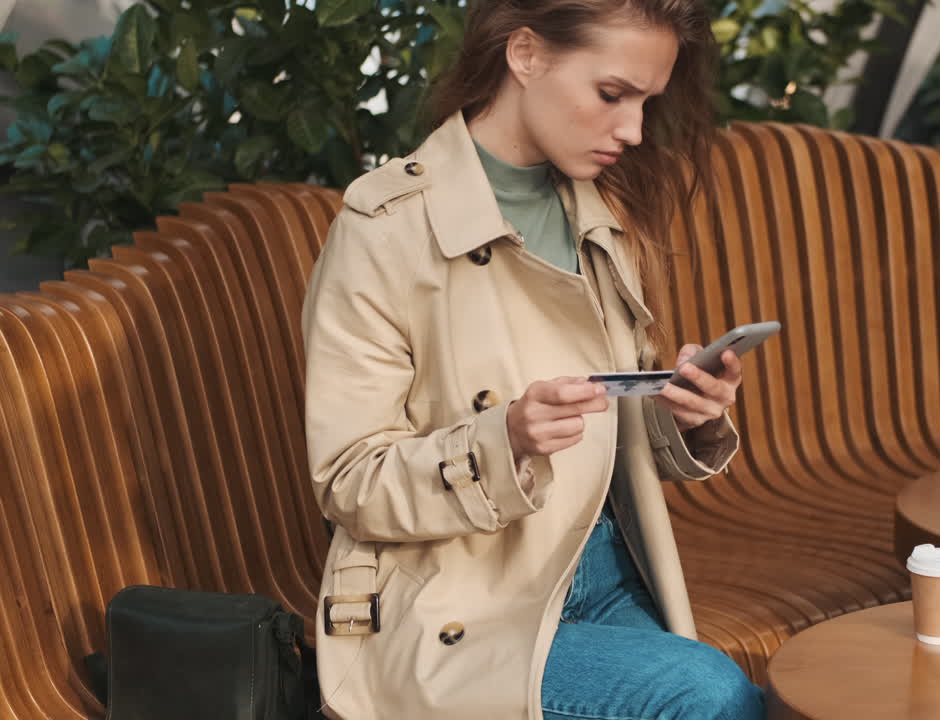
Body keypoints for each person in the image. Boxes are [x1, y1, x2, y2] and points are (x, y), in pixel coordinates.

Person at [300, 1, 765, 718]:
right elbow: (351, 481)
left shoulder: (597, 210)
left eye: (646, 103)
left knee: (731, 698)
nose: (633, 130)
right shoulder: (386, 229)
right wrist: (504, 439)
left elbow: (602, 425)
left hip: (606, 570)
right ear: (525, 55)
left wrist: (684, 412)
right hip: (461, 598)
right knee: (707, 696)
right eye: (612, 95)